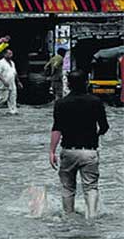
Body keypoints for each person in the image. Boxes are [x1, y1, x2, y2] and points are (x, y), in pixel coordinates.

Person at [49, 70, 109, 219]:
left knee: (68, 188)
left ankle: (69, 218)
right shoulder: (95, 102)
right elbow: (104, 127)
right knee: (91, 187)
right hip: (89, 151)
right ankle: (92, 217)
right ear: (86, 83)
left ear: (68, 84)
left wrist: (51, 151)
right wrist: (96, 135)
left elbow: (57, 129)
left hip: (68, 151)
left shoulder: (60, 104)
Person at [0, 49, 23, 115]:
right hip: (4, 84)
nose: (11, 55)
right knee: (3, 99)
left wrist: (18, 82)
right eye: (9, 53)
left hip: (12, 83)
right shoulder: (0, 63)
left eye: (11, 53)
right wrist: (4, 81)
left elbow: (15, 73)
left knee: (13, 97)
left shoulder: (12, 62)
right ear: (4, 54)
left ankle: (13, 110)